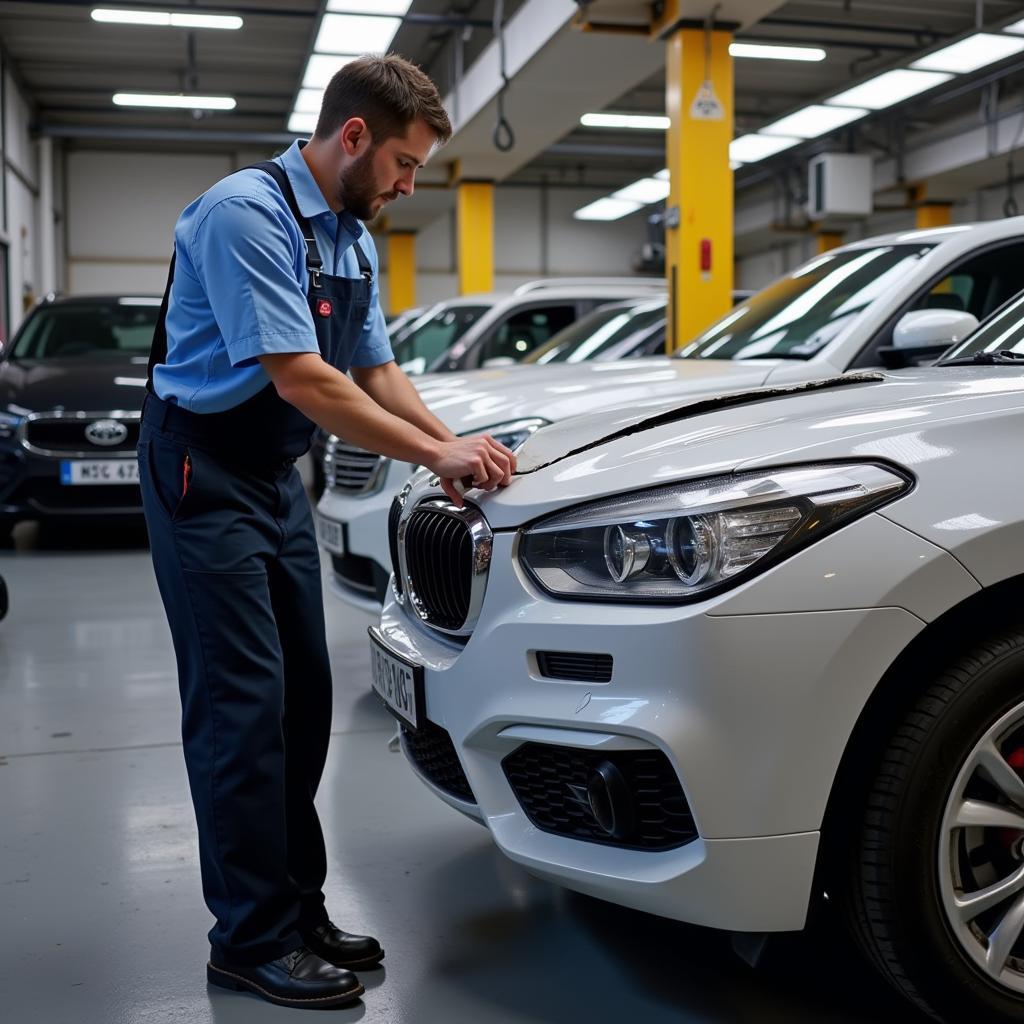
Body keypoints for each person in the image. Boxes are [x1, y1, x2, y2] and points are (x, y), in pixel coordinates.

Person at [139, 54, 516, 1010]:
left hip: (272, 478)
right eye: (402, 162)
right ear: (353, 136)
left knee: (302, 698)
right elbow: (305, 378)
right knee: (240, 709)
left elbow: (376, 373)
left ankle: (297, 910)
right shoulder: (244, 214)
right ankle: (249, 939)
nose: (407, 183)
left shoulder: (351, 237)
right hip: (202, 471)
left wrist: (459, 443)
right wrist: (437, 461)